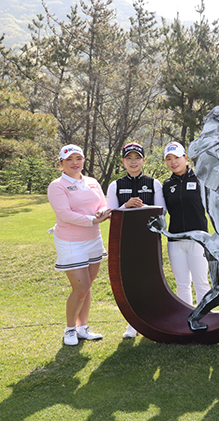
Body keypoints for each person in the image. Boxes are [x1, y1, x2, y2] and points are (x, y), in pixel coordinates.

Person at [47, 144, 112, 346]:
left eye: (78, 158)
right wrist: (93, 219)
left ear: (83, 160)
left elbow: (102, 204)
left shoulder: (92, 182)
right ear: (61, 164)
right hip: (70, 242)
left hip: (93, 239)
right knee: (81, 288)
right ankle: (69, 329)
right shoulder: (57, 185)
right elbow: (64, 214)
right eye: (69, 159)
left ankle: (82, 328)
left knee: (87, 287)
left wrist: (102, 212)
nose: (75, 163)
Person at [106, 142, 166, 339]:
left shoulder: (154, 183)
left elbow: (161, 212)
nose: (133, 162)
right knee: (131, 282)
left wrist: (141, 207)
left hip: (149, 240)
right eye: (129, 158)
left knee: (151, 281)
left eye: (137, 158)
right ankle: (133, 324)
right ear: (123, 161)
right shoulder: (115, 185)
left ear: (143, 160)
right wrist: (126, 205)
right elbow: (111, 214)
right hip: (125, 241)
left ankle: (154, 320)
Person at [162, 142, 211, 306]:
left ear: (185, 158)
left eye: (176, 157)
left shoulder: (200, 179)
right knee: (182, 284)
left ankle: (205, 316)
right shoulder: (167, 185)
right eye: (169, 159)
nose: (173, 162)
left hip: (198, 239)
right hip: (175, 240)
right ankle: (186, 317)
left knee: (201, 282)